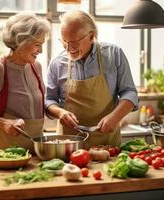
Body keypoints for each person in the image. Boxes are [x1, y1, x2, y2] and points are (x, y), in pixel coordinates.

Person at [45, 10, 138, 149]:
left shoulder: (114, 55)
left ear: (91, 36)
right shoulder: (56, 63)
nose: (69, 49)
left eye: (74, 43)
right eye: (64, 42)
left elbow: (130, 92)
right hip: (69, 146)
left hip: (107, 144)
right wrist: (60, 113)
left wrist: (115, 117)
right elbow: (49, 100)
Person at [0, 13, 50, 156]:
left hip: (32, 151)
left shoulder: (36, 66)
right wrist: (5, 123)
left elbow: (38, 105)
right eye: (37, 44)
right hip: (3, 151)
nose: (41, 50)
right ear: (21, 41)